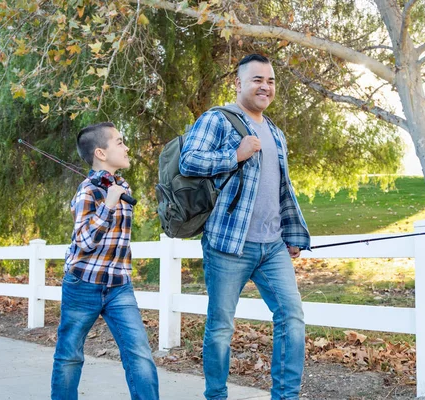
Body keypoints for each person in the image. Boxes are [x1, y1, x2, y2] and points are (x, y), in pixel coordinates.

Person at [180, 54, 311, 400]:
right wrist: (234, 155)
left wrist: (290, 233)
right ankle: (216, 395)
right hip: (228, 244)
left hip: (272, 246)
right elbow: (189, 160)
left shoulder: (276, 133)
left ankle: (285, 396)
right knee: (221, 327)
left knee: (292, 317)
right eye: (257, 80)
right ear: (238, 84)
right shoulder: (217, 120)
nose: (265, 87)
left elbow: (282, 189)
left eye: (269, 81)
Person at [51, 122, 159, 400]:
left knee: (140, 355)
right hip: (82, 285)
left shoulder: (121, 185)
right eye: (120, 142)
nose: (127, 147)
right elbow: (85, 243)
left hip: (118, 286)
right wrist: (108, 204)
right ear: (101, 152)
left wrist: (114, 195)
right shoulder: (88, 191)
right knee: (70, 355)